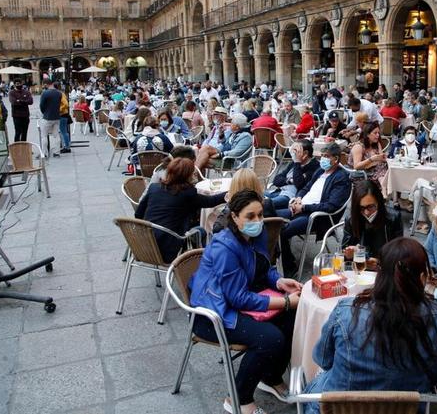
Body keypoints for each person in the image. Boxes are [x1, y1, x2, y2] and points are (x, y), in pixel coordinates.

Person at [304, 238, 437, 412]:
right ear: (423, 278)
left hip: (341, 407)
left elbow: (323, 359)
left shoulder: (346, 311)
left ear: (379, 275)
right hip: (407, 407)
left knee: (316, 378)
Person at [190, 190, 303, 414]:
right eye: (250, 216)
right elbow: (237, 297)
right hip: (212, 314)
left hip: (236, 303)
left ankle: (270, 377)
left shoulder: (255, 235)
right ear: (234, 217)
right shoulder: (225, 246)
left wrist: (279, 281)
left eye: (260, 215)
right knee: (270, 338)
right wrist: (286, 302)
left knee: (294, 318)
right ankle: (238, 399)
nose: (258, 221)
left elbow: (263, 268)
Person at [277, 143, 351, 274]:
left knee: (281, 231)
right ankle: (273, 258)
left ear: (336, 159)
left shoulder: (341, 177)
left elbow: (331, 206)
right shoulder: (321, 171)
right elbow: (306, 187)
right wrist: (298, 198)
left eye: (327, 156)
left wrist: (304, 208)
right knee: (273, 219)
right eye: (322, 156)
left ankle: (290, 267)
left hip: (318, 217)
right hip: (301, 208)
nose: (323, 159)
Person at [135, 158, 225, 262]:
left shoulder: (154, 188)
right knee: (201, 231)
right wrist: (231, 192)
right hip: (167, 251)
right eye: (193, 173)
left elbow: (138, 214)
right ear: (187, 176)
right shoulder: (187, 194)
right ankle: (202, 265)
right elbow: (211, 201)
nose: (194, 175)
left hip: (142, 246)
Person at [341, 180, 403, 270]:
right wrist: (350, 254)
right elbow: (344, 254)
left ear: (379, 202)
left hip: (385, 270)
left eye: (371, 207)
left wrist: (379, 262)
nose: (366, 212)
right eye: (362, 208)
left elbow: (399, 253)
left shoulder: (393, 218)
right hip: (358, 270)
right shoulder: (351, 219)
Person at [267, 139, 319, 209]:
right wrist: (289, 180)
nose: (292, 153)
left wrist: (297, 162)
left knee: (265, 204)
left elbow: (299, 184)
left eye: (295, 150)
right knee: (254, 197)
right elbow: (276, 180)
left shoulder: (314, 166)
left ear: (305, 153)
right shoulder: (293, 163)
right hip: (279, 191)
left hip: (291, 197)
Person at [349, 122, 388, 190]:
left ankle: (385, 191)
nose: (378, 135)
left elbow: (381, 160)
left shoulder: (375, 144)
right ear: (367, 134)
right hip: (361, 174)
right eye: (375, 133)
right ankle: (384, 191)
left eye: (378, 133)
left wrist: (384, 158)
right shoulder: (359, 146)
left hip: (374, 171)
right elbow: (356, 166)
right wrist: (371, 159)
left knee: (385, 169)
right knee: (382, 171)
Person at [53, 82, 71, 154]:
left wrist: (59, 109)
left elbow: (66, 104)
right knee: (63, 131)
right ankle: (65, 146)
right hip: (62, 114)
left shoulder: (60, 94)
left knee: (64, 131)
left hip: (62, 114)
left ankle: (67, 147)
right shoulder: (60, 93)